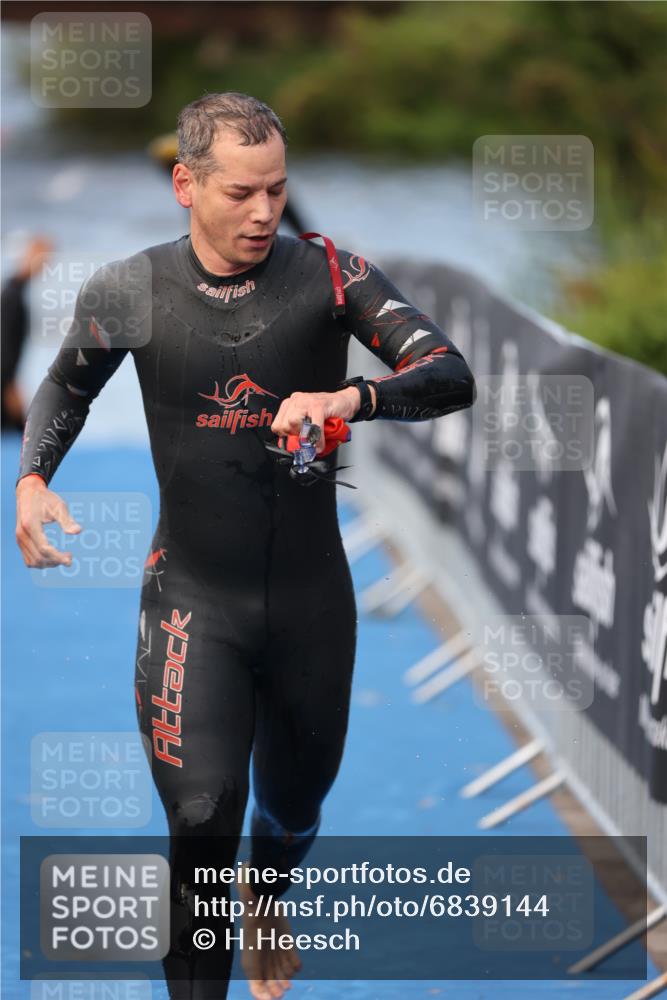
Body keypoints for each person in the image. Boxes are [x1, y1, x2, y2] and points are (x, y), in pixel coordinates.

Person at [15, 92, 475, 1000]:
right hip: (192, 602)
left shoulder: (331, 275)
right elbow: (63, 389)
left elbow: (448, 373)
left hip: (309, 605)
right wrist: (32, 480)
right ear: (185, 184)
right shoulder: (130, 289)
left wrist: (353, 399)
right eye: (239, 193)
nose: (263, 212)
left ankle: (267, 896)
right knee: (200, 822)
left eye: (277, 190)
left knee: (293, 809)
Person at [1, 236, 53, 431]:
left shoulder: (16, 291)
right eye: (40, 256)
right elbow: (4, 346)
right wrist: (10, 386)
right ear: (27, 256)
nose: (45, 263)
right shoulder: (11, 296)